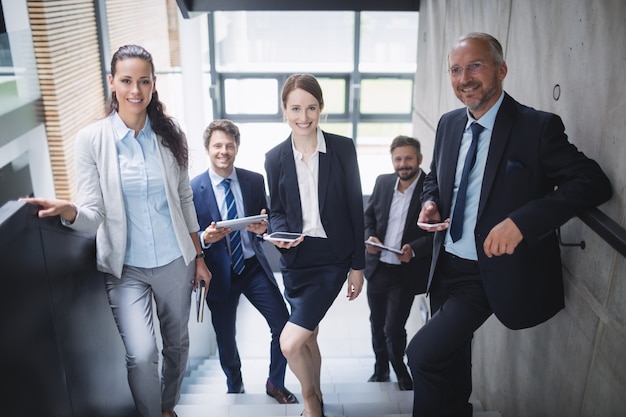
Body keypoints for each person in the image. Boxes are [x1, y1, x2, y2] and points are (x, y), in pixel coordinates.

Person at [406, 32, 612, 417]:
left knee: (421, 355)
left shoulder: (537, 128)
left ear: (501, 70)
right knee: (450, 360)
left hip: (486, 275)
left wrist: (522, 222)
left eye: (475, 66)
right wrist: (430, 201)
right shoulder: (450, 124)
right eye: (455, 69)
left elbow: (591, 182)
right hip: (444, 264)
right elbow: (435, 176)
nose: (464, 77)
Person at [22, 44, 212, 417]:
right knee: (141, 354)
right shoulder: (91, 140)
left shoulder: (170, 136)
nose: (135, 91)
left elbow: (185, 200)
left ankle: (167, 407)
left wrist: (199, 258)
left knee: (177, 345)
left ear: (154, 84)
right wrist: (70, 210)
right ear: (112, 83)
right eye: (126, 81)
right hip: (126, 271)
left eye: (143, 81)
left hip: (176, 262)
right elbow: (93, 215)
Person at [264, 73, 365, 417]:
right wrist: (279, 233)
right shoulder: (274, 158)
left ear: (321, 108)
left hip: (332, 260)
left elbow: (355, 207)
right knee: (308, 337)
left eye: (310, 108)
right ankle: (317, 393)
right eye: (295, 108)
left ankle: (310, 403)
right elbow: (276, 210)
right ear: (284, 110)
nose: (303, 117)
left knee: (289, 342)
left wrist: (358, 265)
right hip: (295, 260)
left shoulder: (342, 148)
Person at [190, 119, 298, 404]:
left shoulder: (253, 180)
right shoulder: (192, 188)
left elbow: (267, 219)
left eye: (229, 145)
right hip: (218, 272)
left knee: (282, 324)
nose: (223, 151)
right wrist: (205, 238)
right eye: (217, 146)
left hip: (252, 268)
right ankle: (234, 385)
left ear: (237, 147)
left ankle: (275, 382)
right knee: (225, 338)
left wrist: (265, 230)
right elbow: (188, 233)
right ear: (207, 149)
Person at [363, 135, 432, 391]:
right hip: (378, 266)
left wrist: (414, 249)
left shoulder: (429, 188)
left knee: (393, 327)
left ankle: (400, 370)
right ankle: (380, 368)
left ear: (419, 159)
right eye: (398, 159)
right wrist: (370, 236)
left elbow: (437, 232)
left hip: (405, 272)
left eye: (408, 159)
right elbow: (369, 216)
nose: (403, 164)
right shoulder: (383, 183)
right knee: (376, 322)